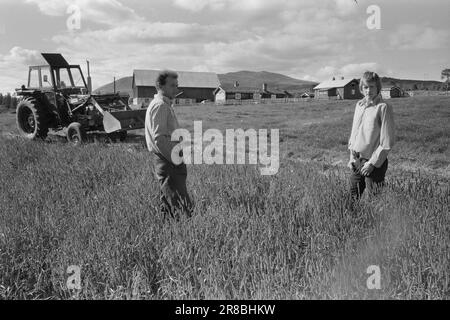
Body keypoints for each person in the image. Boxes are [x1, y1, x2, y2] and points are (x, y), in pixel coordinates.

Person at [145, 70, 192, 219]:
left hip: (166, 159)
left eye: (176, 85)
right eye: (172, 85)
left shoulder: (162, 104)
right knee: (181, 204)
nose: (176, 89)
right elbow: (159, 138)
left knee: (168, 203)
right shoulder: (161, 106)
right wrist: (175, 159)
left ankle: (169, 233)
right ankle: (185, 234)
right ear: (160, 86)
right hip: (168, 160)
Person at [348, 71, 395, 201]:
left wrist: (372, 163)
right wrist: (351, 157)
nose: (369, 90)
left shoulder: (383, 107)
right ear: (361, 88)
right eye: (366, 87)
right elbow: (354, 133)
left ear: (378, 87)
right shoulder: (359, 105)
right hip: (356, 161)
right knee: (351, 199)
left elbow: (387, 141)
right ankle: (353, 222)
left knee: (374, 202)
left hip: (373, 163)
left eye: (372, 87)